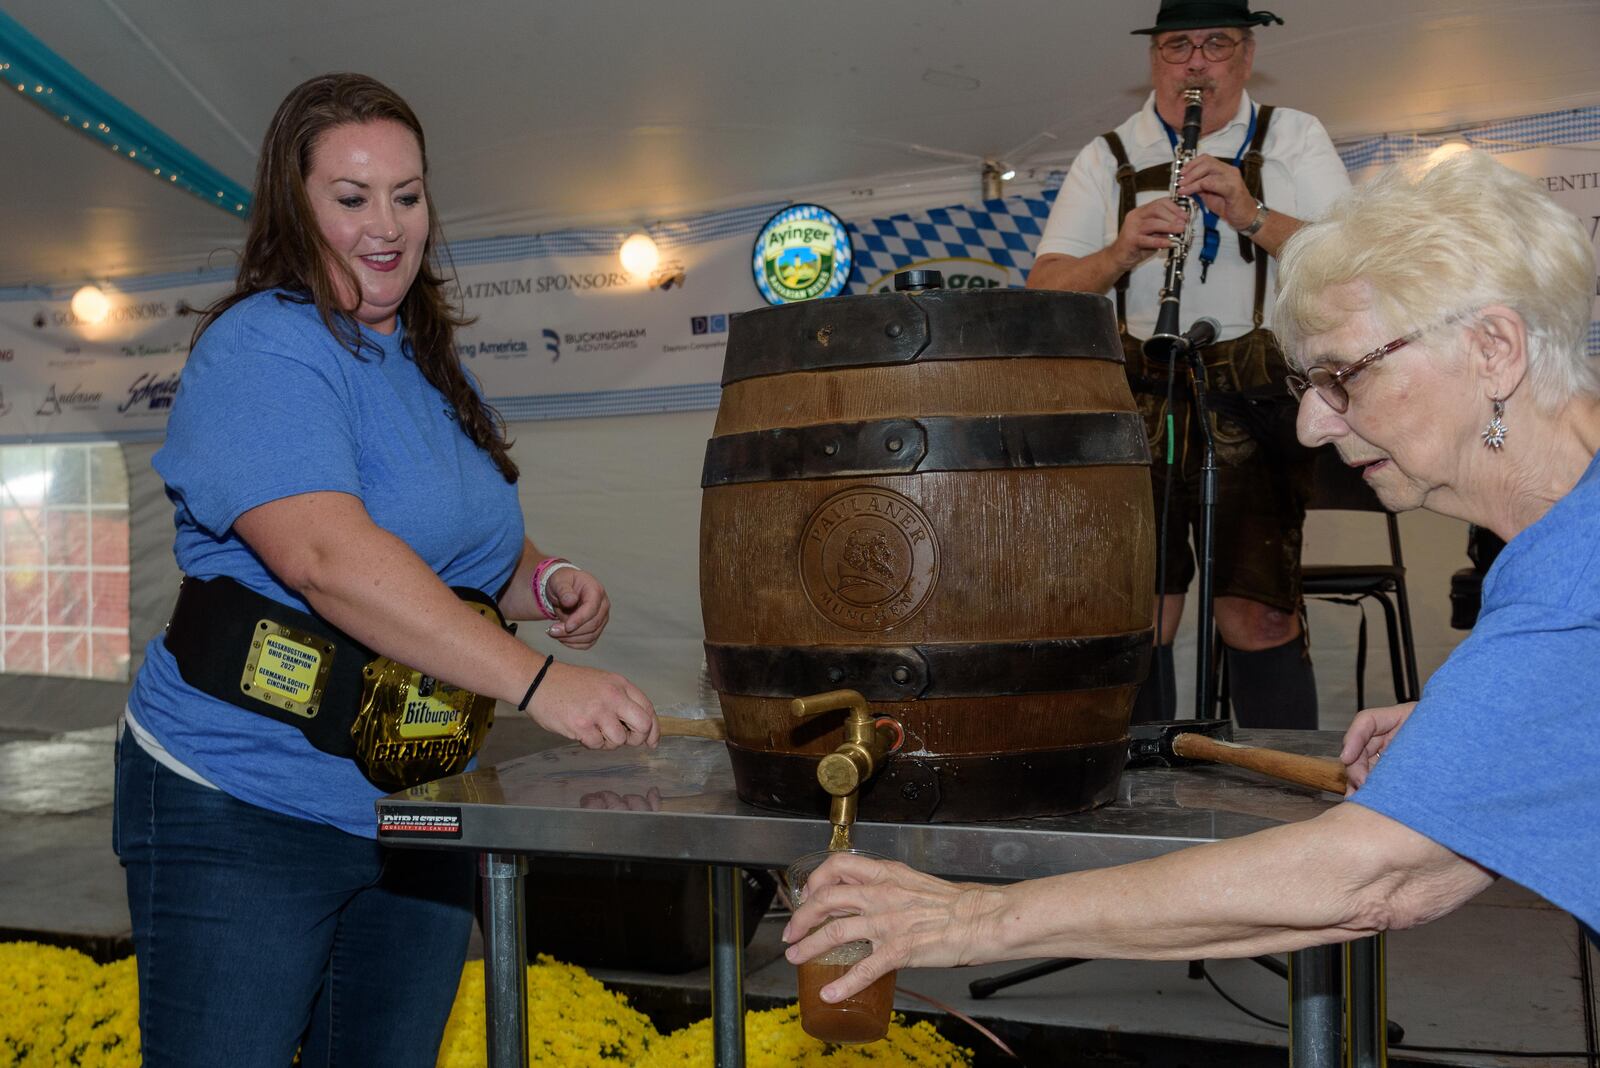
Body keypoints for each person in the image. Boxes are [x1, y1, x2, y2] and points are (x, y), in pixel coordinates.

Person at [785, 149, 1600, 1000]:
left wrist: (973, 919)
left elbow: (1380, 875)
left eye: (1342, 376)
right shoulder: (1562, 551)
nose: (1315, 425)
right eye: (1304, 382)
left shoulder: (1573, 583)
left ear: (1494, 347)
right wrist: (1498, 724)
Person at [114, 73, 658, 1067]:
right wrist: (540, 683)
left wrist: (543, 585)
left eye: (407, 196)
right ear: (295, 203)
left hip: (413, 807)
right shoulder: (263, 347)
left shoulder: (420, 359)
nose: (387, 224)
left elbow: (462, 549)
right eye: (352, 196)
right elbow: (329, 559)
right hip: (238, 799)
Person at [1029, 0, 1351, 728]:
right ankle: (1144, 784)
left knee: (1254, 611)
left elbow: (1348, 262)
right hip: (1139, 388)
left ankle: (1279, 794)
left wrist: (1251, 216)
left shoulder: (1294, 136)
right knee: (1140, 613)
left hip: (1259, 391)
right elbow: (1044, 286)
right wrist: (1119, 252)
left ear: (1246, 55)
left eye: (1217, 44)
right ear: (1154, 58)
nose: (1197, 62)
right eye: (1179, 46)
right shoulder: (1108, 153)